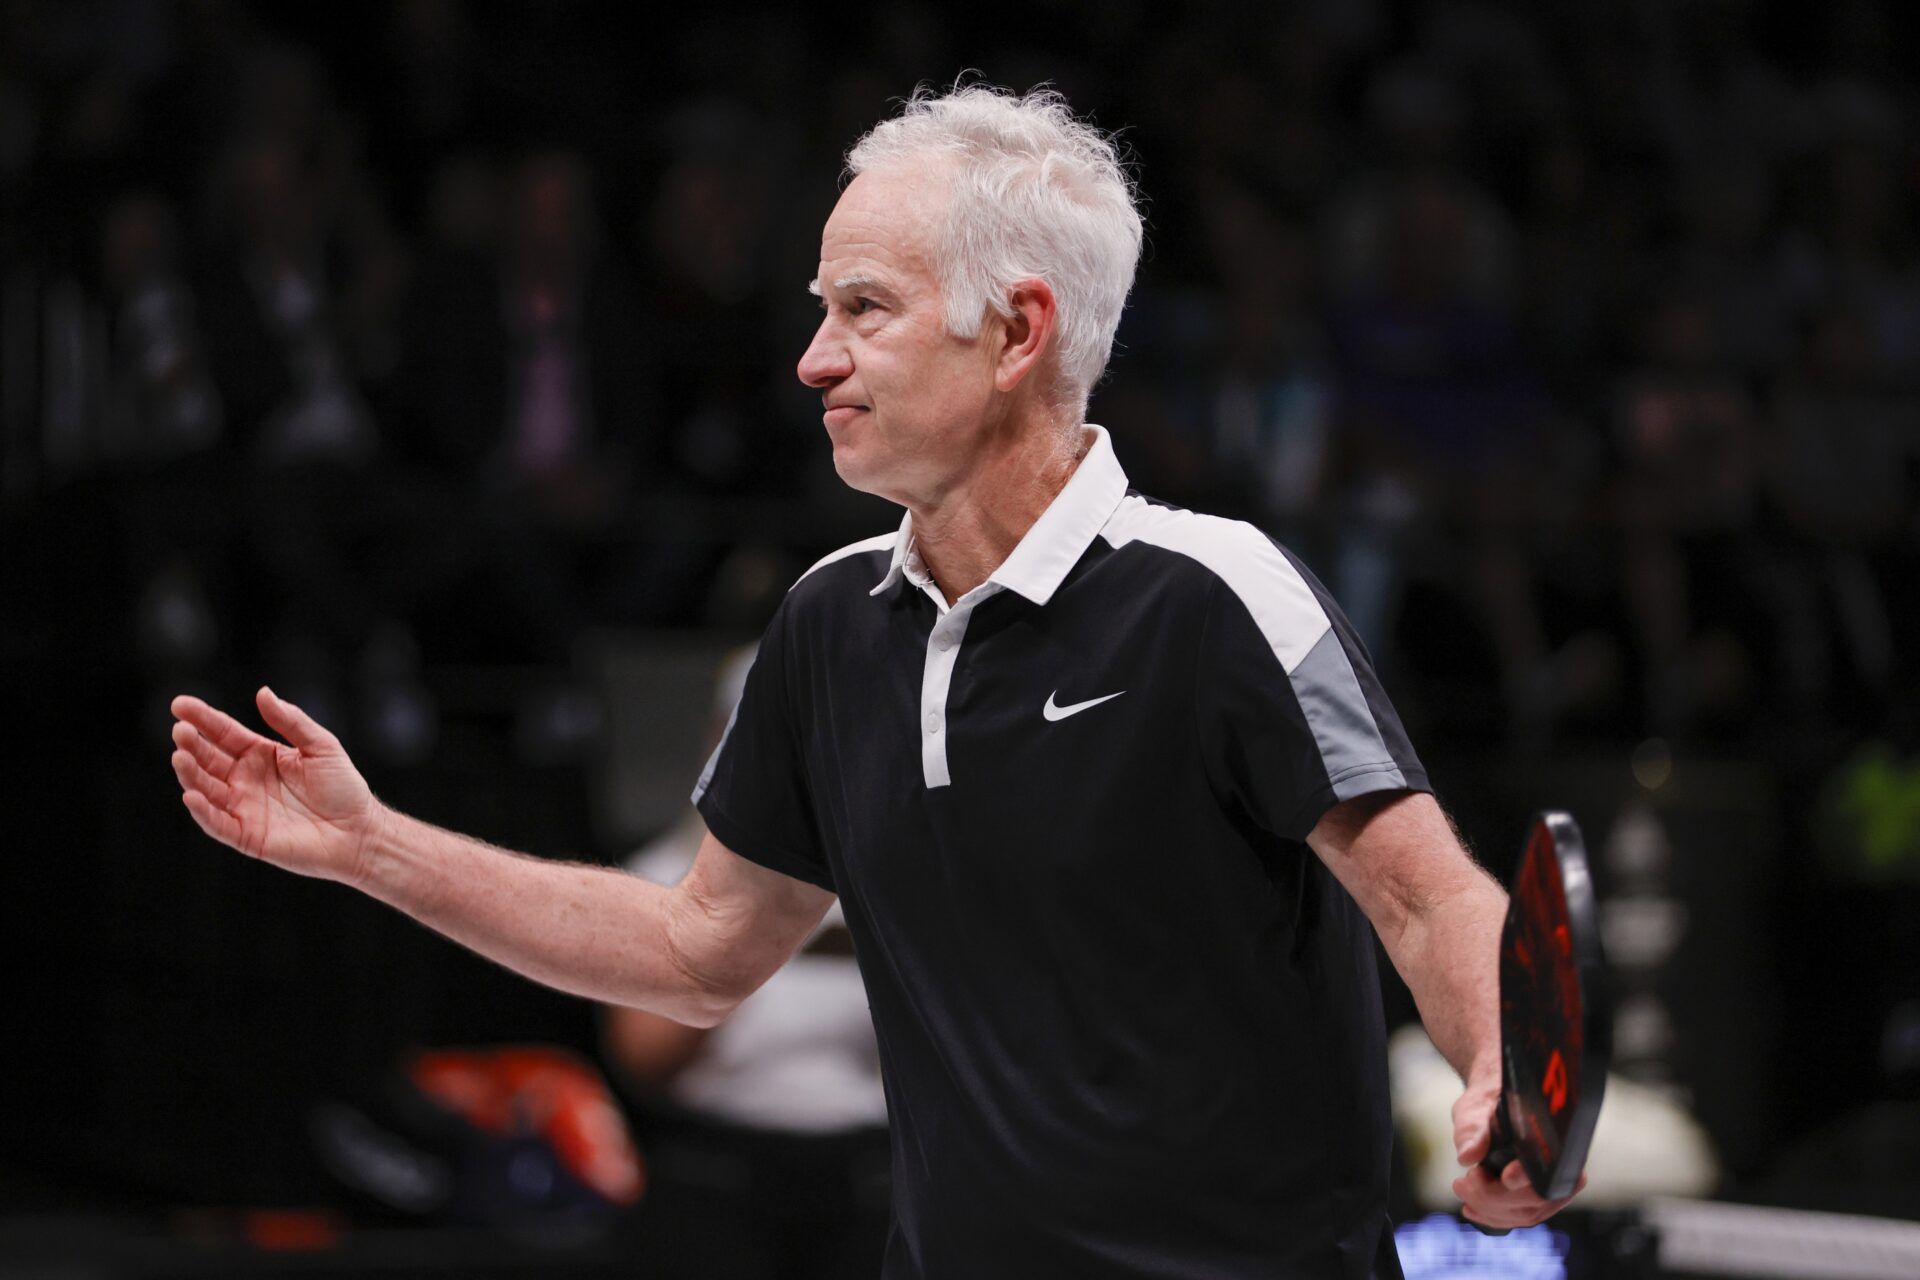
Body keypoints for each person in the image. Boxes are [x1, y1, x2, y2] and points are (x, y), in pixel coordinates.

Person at [169, 83, 1582, 1278]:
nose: (813, 357)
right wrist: (371, 848)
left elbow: (1425, 890)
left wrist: (1499, 1077)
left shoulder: (1214, 598)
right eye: (819, 307)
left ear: (1018, 333)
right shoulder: (829, 626)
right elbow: (692, 953)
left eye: (864, 309)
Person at [603, 647, 890, 1279]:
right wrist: (740, 940)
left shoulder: (897, 883)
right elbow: (643, 1057)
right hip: (718, 1175)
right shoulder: (659, 877)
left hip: (875, 1177)